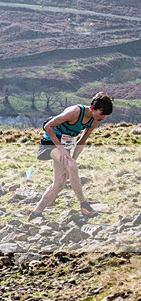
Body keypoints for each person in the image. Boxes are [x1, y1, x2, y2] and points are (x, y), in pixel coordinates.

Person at [29, 92, 113, 220]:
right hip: (50, 143)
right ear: (92, 107)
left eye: (105, 115)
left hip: (64, 147)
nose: (102, 117)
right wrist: (62, 150)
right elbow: (48, 126)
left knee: (59, 184)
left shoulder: (94, 121)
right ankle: (84, 205)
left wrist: (72, 160)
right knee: (71, 166)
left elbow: (81, 142)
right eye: (101, 113)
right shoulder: (74, 112)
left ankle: (36, 213)